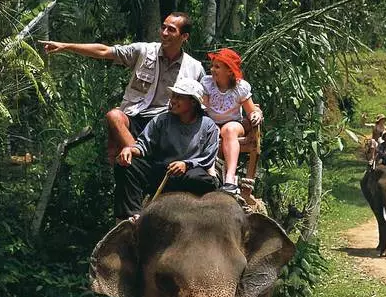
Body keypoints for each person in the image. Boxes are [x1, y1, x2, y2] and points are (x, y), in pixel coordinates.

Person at [40, 12, 206, 164]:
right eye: (163, 27)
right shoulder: (144, 51)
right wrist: (65, 46)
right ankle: (142, 160)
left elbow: (203, 104)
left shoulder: (194, 68)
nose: (164, 33)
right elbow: (105, 51)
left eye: (171, 30)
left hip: (167, 122)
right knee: (114, 116)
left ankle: (143, 161)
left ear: (184, 36)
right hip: (135, 115)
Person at [114, 78, 219, 220]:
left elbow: (208, 157)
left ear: (193, 102)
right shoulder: (161, 120)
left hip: (188, 173)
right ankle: (131, 216)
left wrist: (186, 164)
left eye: (179, 97)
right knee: (126, 165)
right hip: (162, 172)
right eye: (173, 96)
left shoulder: (208, 126)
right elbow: (144, 145)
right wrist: (130, 150)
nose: (173, 101)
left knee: (203, 181)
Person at [201, 48, 263, 195]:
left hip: (234, 123)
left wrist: (256, 114)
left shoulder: (240, 87)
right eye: (212, 66)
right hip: (212, 122)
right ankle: (211, 173)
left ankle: (230, 178)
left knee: (229, 130)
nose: (213, 70)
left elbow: (251, 110)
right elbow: (202, 108)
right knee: (212, 129)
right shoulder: (207, 83)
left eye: (217, 67)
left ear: (229, 71)